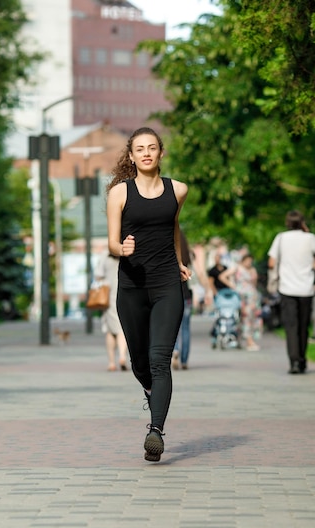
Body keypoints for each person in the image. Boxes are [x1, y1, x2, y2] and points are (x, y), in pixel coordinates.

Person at [106, 127, 190, 462]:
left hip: (167, 283)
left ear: (160, 153)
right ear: (131, 156)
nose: (145, 153)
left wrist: (180, 261)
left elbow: (173, 227)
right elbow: (112, 241)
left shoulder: (178, 190)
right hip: (131, 288)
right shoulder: (119, 193)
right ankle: (151, 393)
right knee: (140, 362)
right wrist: (121, 249)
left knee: (159, 360)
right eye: (139, 149)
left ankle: (156, 430)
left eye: (151, 148)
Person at [268, 210, 315, 373]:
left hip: (287, 288)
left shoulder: (281, 238)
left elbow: (271, 262)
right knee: (303, 326)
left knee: (291, 327)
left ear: (287, 223)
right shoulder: (310, 238)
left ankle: (294, 362)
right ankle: (302, 360)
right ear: (302, 222)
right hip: (306, 289)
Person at [172, 235, 212, 370]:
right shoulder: (189, 254)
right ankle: (184, 361)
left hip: (172, 294)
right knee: (185, 328)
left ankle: (175, 350)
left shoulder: (169, 252)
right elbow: (200, 273)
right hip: (187, 295)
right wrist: (207, 290)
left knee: (173, 327)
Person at [219, 252, 262, 351]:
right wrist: (233, 286)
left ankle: (244, 339)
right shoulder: (237, 268)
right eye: (247, 261)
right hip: (242, 297)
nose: (249, 263)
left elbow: (254, 284)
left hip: (253, 297)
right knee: (245, 318)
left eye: (251, 261)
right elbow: (222, 276)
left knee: (252, 318)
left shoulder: (252, 270)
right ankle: (249, 341)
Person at [94, 251, 128, 371]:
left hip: (108, 296)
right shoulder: (127, 251)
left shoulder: (105, 254)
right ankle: (123, 357)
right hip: (125, 293)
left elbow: (98, 275)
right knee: (122, 329)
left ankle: (111, 362)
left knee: (110, 331)